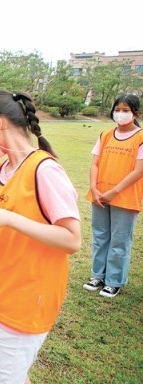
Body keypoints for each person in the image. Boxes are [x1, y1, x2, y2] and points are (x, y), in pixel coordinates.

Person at [0, 90, 81, 384]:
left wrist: (11, 219)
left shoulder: (44, 170)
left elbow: (71, 240)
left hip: (28, 299)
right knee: (11, 376)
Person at [83, 94, 143, 298]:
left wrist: (114, 192)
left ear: (136, 113)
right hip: (99, 195)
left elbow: (138, 171)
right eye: (118, 109)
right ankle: (97, 276)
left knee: (119, 240)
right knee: (100, 237)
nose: (121, 113)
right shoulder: (106, 134)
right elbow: (95, 164)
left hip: (124, 197)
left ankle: (113, 281)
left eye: (126, 110)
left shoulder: (140, 137)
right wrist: (94, 187)